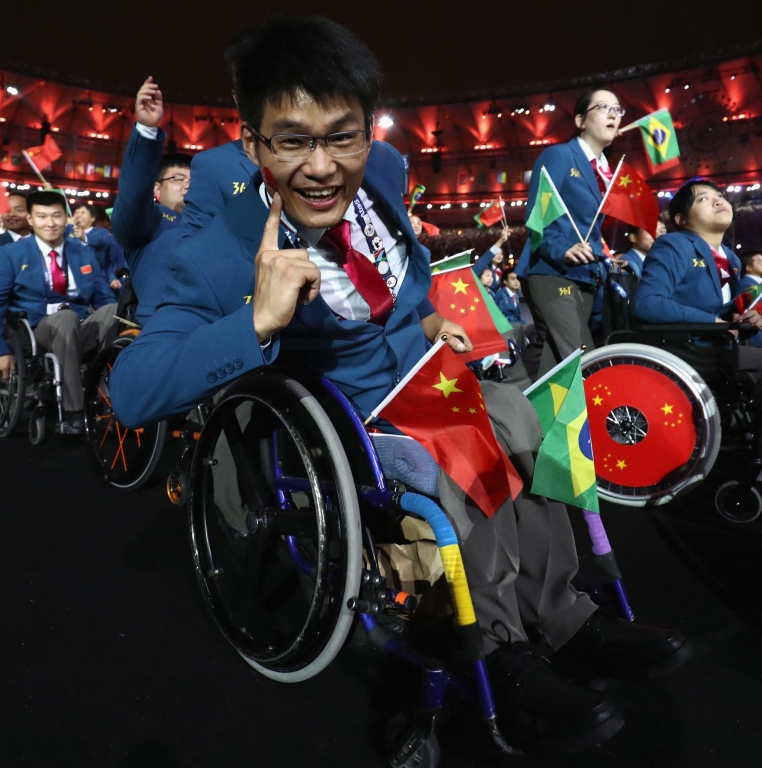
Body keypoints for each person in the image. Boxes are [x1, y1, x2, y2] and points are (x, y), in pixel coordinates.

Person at [110, 16, 689, 752]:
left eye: (341, 136)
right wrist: (254, 323)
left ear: (366, 131)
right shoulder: (211, 254)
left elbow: (408, 284)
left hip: (430, 373)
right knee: (459, 449)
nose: (323, 166)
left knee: (532, 416)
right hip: (354, 417)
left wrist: (425, 323)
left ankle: (566, 616)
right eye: (293, 140)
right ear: (251, 143)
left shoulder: (383, 170)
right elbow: (132, 392)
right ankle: (501, 654)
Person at [636, 178, 762, 480]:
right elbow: (647, 304)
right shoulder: (674, 244)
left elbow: (720, 312)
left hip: (717, 345)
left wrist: (745, 317)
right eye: (703, 199)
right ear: (681, 220)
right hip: (687, 349)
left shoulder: (730, 259)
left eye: (719, 195)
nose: (718, 200)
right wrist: (717, 323)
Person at [0, 190, 118, 435]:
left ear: (66, 218)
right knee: (65, 318)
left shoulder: (83, 252)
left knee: (114, 311)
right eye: (42, 217)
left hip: (79, 328)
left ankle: (113, 397)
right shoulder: (10, 254)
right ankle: (74, 411)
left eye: (56, 216)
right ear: (31, 219)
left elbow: (103, 298)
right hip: (34, 332)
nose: (50, 223)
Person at [514, 89, 624, 378]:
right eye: (603, 107)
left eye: (617, 109)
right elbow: (538, 214)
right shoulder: (560, 155)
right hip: (552, 271)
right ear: (580, 120)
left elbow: (591, 228)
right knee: (584, 359)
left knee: (557, 365)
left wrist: (606, 257)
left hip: (586, 276)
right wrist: (561, 248)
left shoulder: (607, 172)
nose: (613, 113)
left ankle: (535, 421)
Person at [110, 78, 191, 326]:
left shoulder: (212, 224)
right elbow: (134, 193)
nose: (188, 184)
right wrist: (146, 130)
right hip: (161, 326)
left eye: (194, 179)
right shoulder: (148, 222)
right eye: (178, 178)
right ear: (157, 188)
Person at [179, 33, 261, 232]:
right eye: (246, 86)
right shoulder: (213, 166)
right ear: (236, 97)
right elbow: (193, 250)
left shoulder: (321, 154)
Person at [71, 203, 126, 292]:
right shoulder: (69, 236)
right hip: (76, 282)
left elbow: (99, 241)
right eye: (76, 213)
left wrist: (83, 237)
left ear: (92, 218)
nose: (78, 216)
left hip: (97, 283)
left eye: (82, 212)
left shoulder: (101, 233)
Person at [472, 226, 511, 292]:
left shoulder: (503, 271)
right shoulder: (483, 269)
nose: (499, 256)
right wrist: (501, 240)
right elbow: (485, 259)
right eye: (496, 253)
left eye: (501, 254)